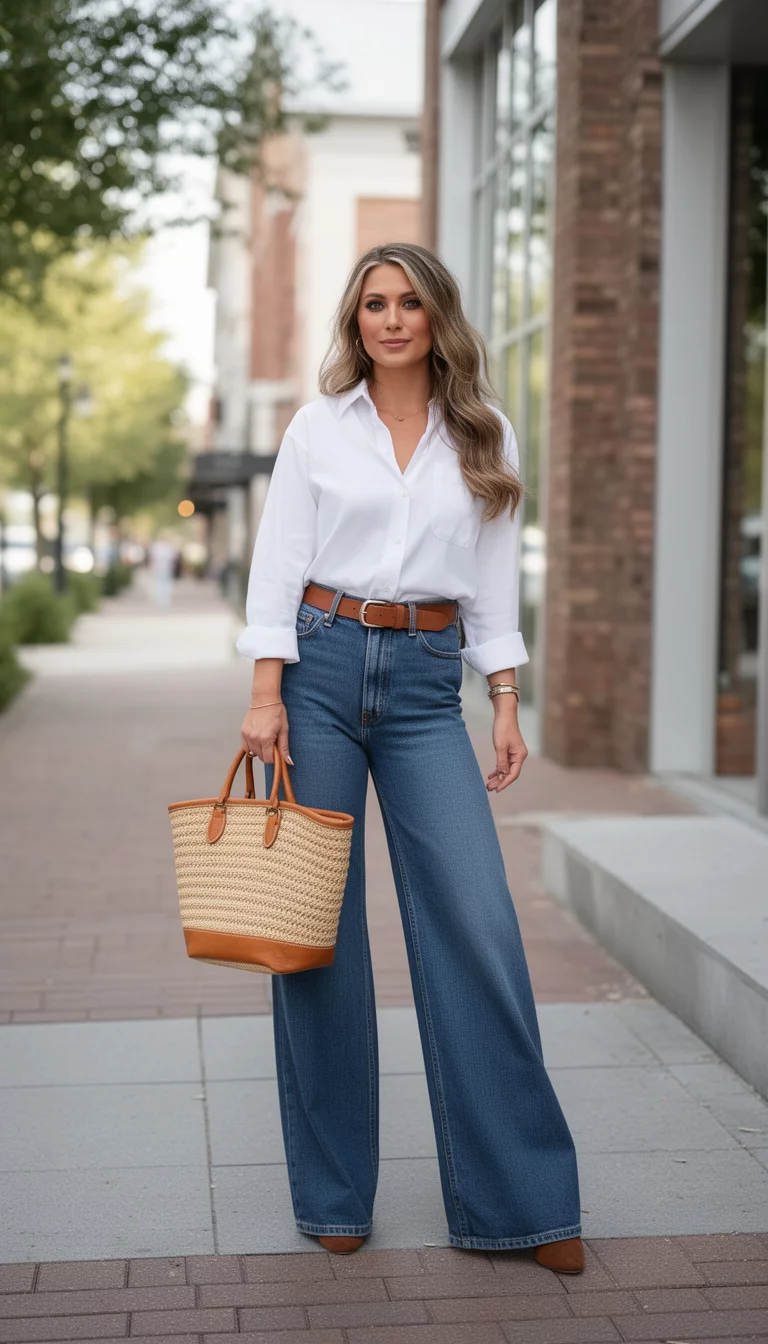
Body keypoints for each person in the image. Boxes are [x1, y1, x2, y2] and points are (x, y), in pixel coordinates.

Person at [237, 242, 583, 1272]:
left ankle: (523, 1204)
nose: (391, 319)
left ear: (439, 317)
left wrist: (506, 701)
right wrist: (266, 693)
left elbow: (490, 584)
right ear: (356, 322)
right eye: (374, 304)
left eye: (409, 303)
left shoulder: (482, 430)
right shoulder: (316, 429)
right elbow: (275, 566)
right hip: (320, 676)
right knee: (316, 936)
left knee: (477, 923)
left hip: (432, 686)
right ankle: (336, 1193)